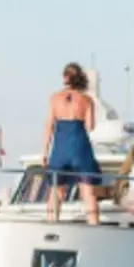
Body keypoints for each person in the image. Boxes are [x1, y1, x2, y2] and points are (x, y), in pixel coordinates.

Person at [42, 62, 101, 225]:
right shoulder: (87, 100)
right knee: (88, 192)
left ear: (64, 78)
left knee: (56, 191)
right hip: (80, 145)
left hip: (60, 146)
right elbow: (90, 127)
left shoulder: (54, 98)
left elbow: (48, 126)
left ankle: (51, 224)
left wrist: (44, 152)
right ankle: (94, 224)